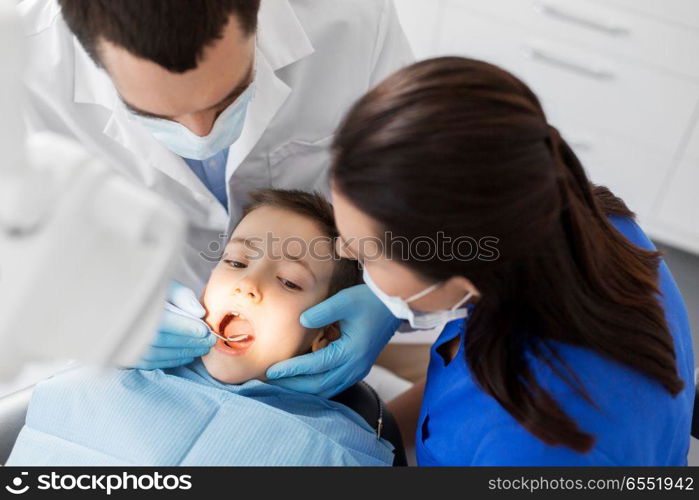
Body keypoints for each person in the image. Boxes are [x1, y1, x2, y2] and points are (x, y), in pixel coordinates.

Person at [314, 57, 695, 465]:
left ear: (468, 271)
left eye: (370, 252)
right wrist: (374, 427)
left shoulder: (534, 446)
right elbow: (457, 398)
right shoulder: (582, 223)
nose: (345, 252)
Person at [18, 0, 412, 392]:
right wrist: (87, 312)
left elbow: (426, 191)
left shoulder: (353, 20)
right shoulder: (20, 68)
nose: (201, 134)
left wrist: (391, 298)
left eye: (230, 98)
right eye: (156, 114)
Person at [7, 190, 395, 466]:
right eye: (236, 262)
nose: (247, 286)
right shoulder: (109, 367)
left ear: (325, 336)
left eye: (290, 282)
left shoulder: (338, 450)